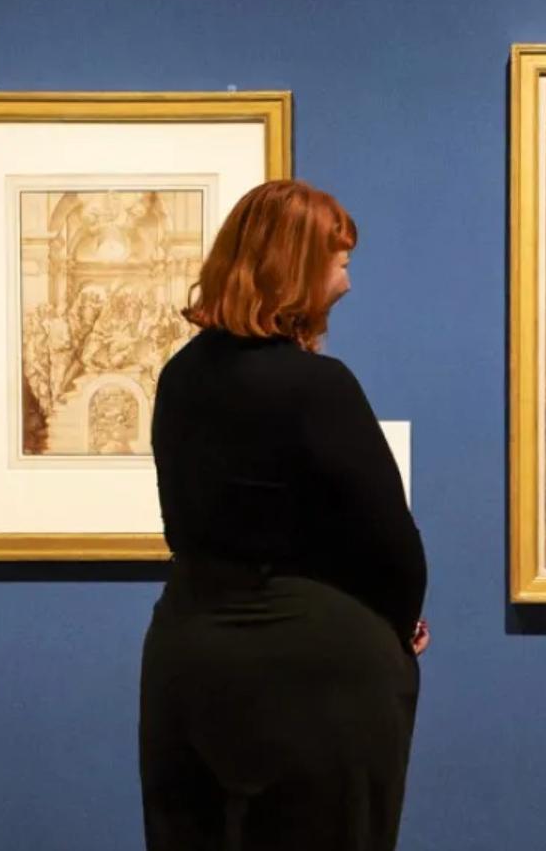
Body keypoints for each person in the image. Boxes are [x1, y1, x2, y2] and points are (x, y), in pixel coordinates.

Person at [139, 180, 429, 851]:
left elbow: (184, 523)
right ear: (297, 268)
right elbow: (392, 544)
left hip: (189, 651)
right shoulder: (318, 386)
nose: (346, 282)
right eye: (339, 261)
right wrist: (399, 626)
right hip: (313, 671)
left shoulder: (180, 376)